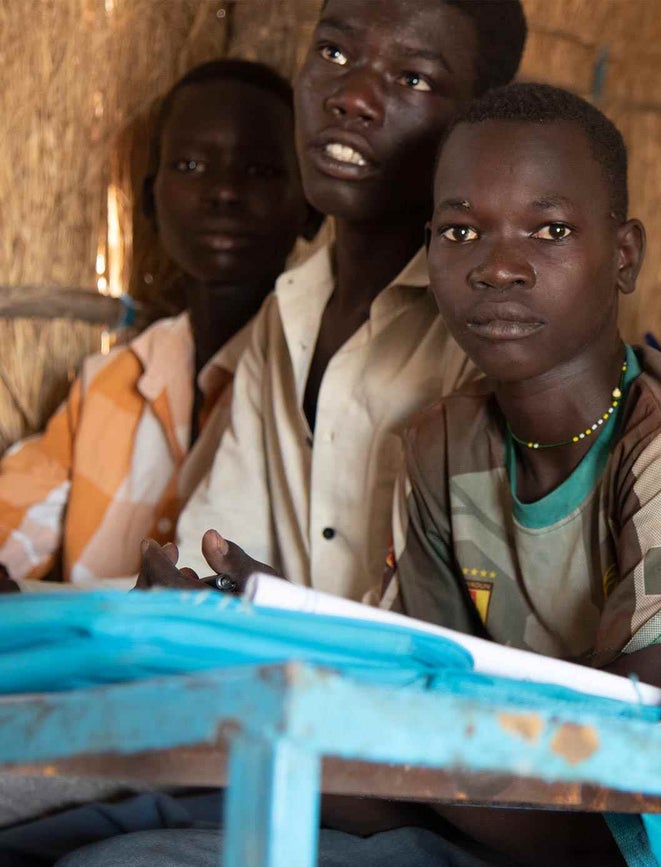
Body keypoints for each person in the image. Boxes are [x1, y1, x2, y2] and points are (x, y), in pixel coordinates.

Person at [75, 82, 661, 867]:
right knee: (100, 836)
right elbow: (404, 739)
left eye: (548, 230)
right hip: (476, 820)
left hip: (631, 845)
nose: (498, 267)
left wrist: (320, 675)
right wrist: (248, 658)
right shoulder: (444, 442)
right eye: (461, 230)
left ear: (624, 256)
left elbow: (622, 785)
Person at [172, 0, 528, 601]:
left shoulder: (493, 337)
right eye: (334, 53)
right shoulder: (288, 310)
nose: (351, 97)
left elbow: (460, 623)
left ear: (479, 124)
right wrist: (177, 593)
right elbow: (213, 543)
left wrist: (279, 611)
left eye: (412, 77)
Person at [0, 59, 314, 588]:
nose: (223, 193)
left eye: (259, 171)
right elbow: (12, 530)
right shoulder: (108, 382)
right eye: (191, 167)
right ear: (149, 198)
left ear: (311, 207)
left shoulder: (312, 387)